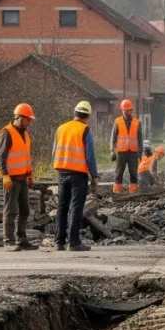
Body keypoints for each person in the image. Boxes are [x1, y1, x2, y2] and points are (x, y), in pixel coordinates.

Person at [52, 100, 99, 252]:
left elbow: (54, 151)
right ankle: (73, 242)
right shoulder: (85, 130)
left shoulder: (61, 128)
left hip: (62, 172)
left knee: (62, 207)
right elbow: (90, 155)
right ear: (88, 116)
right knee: (76, 208)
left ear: (75, 113)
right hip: (78, 174)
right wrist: (94, 176)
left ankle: (59, 241)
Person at [0, 103, 38, 252]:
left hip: (23, 178)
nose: (29, 122)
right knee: (10, 210)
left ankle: (21, 239)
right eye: (28, 119)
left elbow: (25, 157)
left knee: (25, 210)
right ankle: (8, 241)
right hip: (12, 179)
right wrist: (5, 175)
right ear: (19, 118)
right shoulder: (7, 132)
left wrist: (30, 175)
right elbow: (0, 156)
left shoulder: (25, 134)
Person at [111, 99, 142, 193]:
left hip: (133, 152)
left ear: (131, 110)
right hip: (121, 153)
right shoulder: (117, 121)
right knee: (119, 173)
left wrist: (140, 152)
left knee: (133, 173)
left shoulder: (137, 122)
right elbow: (113, 137)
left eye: (129, 110)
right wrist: (112, 151)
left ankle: (133, 191)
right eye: (125, 110)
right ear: (122, 110)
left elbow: (140, 139)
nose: (127, 112)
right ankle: (117, 191)